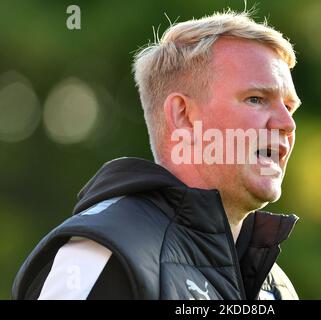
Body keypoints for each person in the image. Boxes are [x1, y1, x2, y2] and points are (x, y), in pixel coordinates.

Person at [12, 10, 301, 300]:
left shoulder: (277, 288)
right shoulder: (105, 253)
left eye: (289, 107)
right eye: (256, 99)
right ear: (183, 115)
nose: (286, 124)